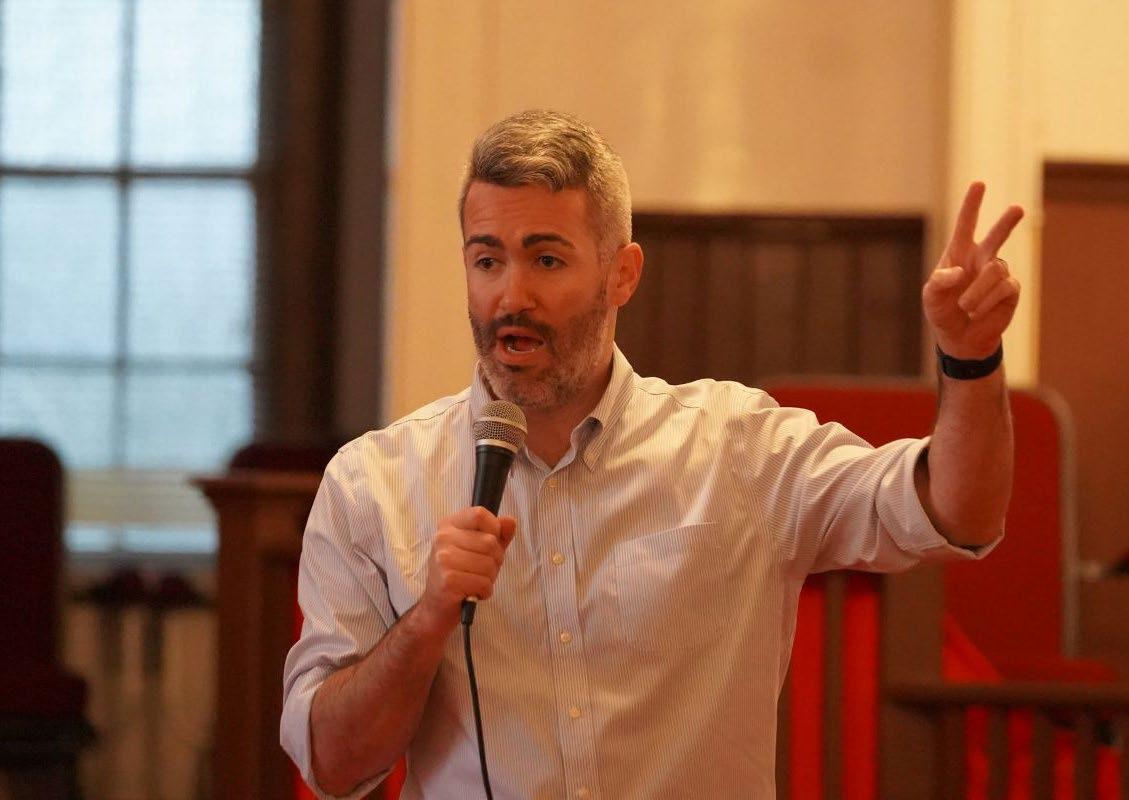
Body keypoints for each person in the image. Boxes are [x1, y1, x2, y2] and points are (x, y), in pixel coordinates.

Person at [281, 109, 1023, 799]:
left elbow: (954, 512)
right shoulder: (372, 482)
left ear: (622, 274)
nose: (511, 296)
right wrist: (428, 618)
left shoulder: (738, 449)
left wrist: (969, 359)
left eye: (546, 260)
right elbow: (331, 764)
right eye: (487, 261)